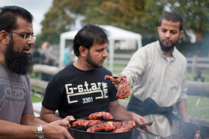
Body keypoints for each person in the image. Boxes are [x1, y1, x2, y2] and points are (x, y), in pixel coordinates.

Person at [40, 24, 150, 134]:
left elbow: (114, 108)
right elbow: (45, 114)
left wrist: (132, 116)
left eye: (105, 49)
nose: (105, 54)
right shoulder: (60, 80)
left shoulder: (106, 75)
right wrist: (64, 123)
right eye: (99, 50)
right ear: (83, 51)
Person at [0, 6, 74, 139]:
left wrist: (57, 127)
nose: (32, 41)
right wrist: (41, 130)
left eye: (32, 35)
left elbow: (28, 120)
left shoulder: (22, 73)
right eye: (25, 35)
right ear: (4, 36)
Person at [115, 12, 189, 139]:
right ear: (158, 29)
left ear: (180, 34)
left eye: (173, 32)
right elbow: (130, 73)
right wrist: (124, 80)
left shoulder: (182, 61)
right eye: (164, 30)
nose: (167, 35)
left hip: (165, 125)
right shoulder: (144, 53)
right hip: (139, 121)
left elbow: (181, 96)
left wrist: (187, 125)